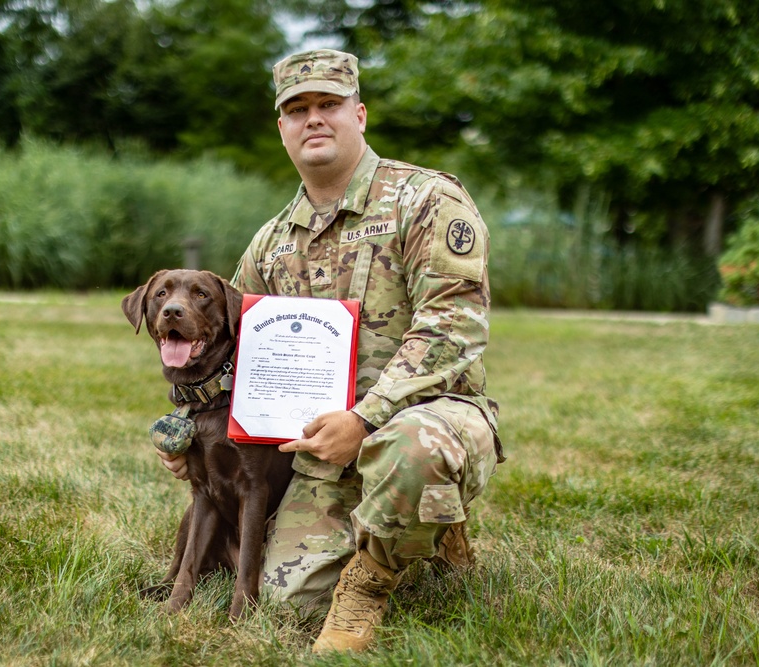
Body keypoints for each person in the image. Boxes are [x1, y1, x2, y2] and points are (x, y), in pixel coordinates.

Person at [156, 48, 503, 653]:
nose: (313, 118)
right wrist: (190, 424)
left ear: (359, 114)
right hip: (320, 445)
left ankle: (372, 579)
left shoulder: (425, 200)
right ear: (283, 129)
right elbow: (233, 351)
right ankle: (415, 530)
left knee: (411, 447)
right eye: (297, 109)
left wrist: (364, 417)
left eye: (328, 105)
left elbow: (456, 326)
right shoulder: (269, 242)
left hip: (424, 418)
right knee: (285, 594)